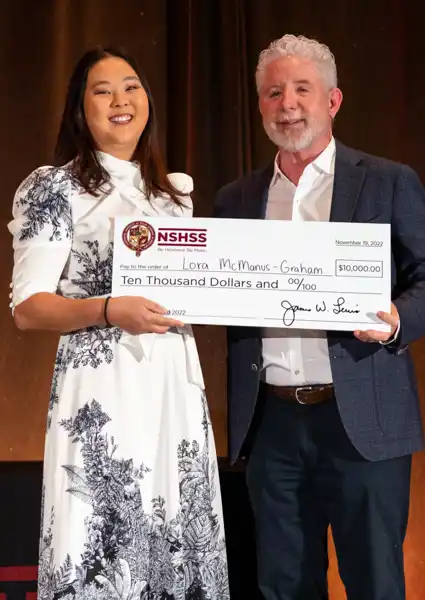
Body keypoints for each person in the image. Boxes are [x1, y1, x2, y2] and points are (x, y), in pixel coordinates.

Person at [9, 47, 229, 600]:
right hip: (103, 392)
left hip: (173, 386)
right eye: (102, 90)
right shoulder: (55, 189)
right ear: (80, 111)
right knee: (105, 544)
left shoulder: (172, 196)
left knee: (179, 544)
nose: (121, 101)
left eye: (131, 87)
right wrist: (109, 308)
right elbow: (28, 307)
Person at [214, 34, 425, 600]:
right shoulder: (235, 199)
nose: (287, 104)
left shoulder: (387, 180)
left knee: (376, 582)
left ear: (332, 101)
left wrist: (397, 319)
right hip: (272, 427)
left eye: (302, 90)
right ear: (259, 105)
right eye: (273, 92)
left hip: (362, 420)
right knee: (283, 585)